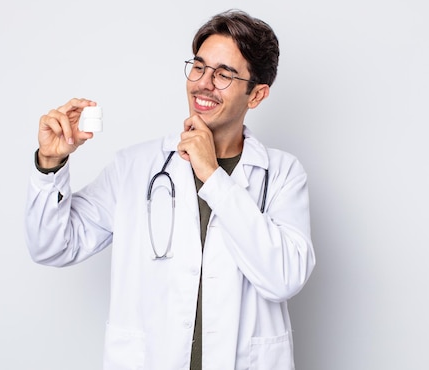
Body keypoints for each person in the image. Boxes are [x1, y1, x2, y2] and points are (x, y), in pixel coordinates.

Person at [25, 9, 315, 370]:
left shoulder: (282, 174)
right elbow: (51, 246)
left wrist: (212, 176)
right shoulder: (134, 167)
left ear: (256, 94)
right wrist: (50, 166)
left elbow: (284, 277)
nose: (204, 83)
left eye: (223, 74)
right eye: (199, 67)